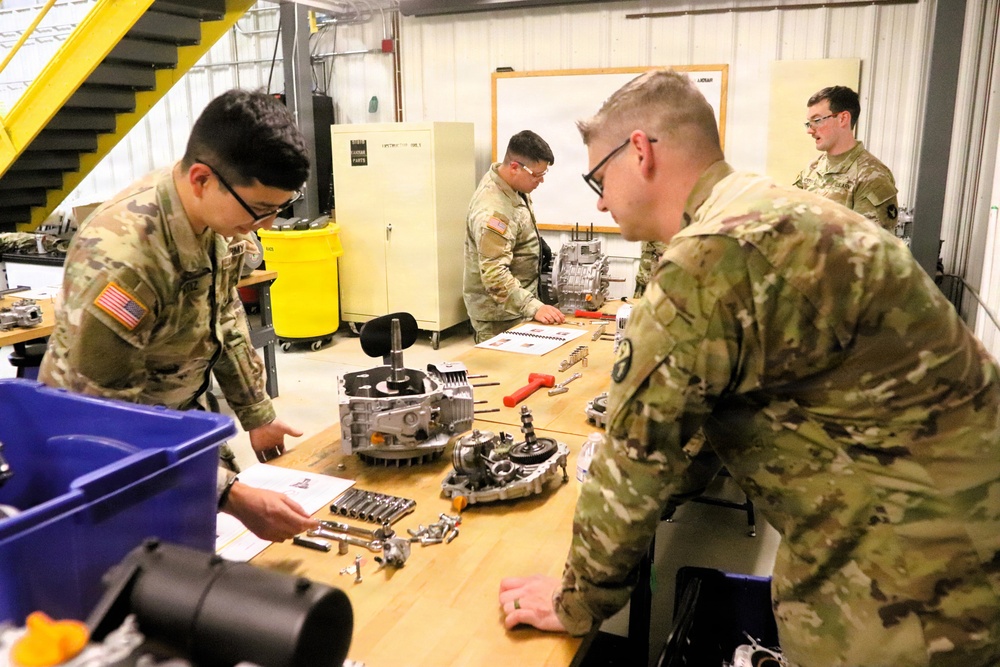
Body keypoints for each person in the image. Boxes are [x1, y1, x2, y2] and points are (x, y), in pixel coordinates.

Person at [499, 69, 1000, 667]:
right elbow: (716, 412)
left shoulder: (710, 258)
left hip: (914, 584)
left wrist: (576, 600)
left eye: (598, 178)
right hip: (965, 532)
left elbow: (637, 460)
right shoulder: (770, 210)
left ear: (639, 152)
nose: (602, 200)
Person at [39, 89, 320, 543]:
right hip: (103, 464)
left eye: (278, 210)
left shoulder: (217, 220)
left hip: (175, 423)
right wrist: (228, 493)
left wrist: (257, 414)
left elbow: (224, 315)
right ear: (201, 178)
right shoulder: (124, 263)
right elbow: (105, 423)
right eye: (259, 210)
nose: (265, 225)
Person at [463, 130, 565, 343]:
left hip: (517, 307)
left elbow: (514, 225)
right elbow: (494, 275)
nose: (541, 181)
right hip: (499, 317)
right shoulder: (492, 209)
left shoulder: (513, 186)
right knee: (506, 374)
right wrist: (532, 307)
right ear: (515, 167)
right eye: (537, 175)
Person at [793, 85, 899, 232]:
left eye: (817, 121)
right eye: (809, 123)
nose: (810, 130)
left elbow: (871, 247)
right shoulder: (812, 169)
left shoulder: (871, 176)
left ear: (843, 118)